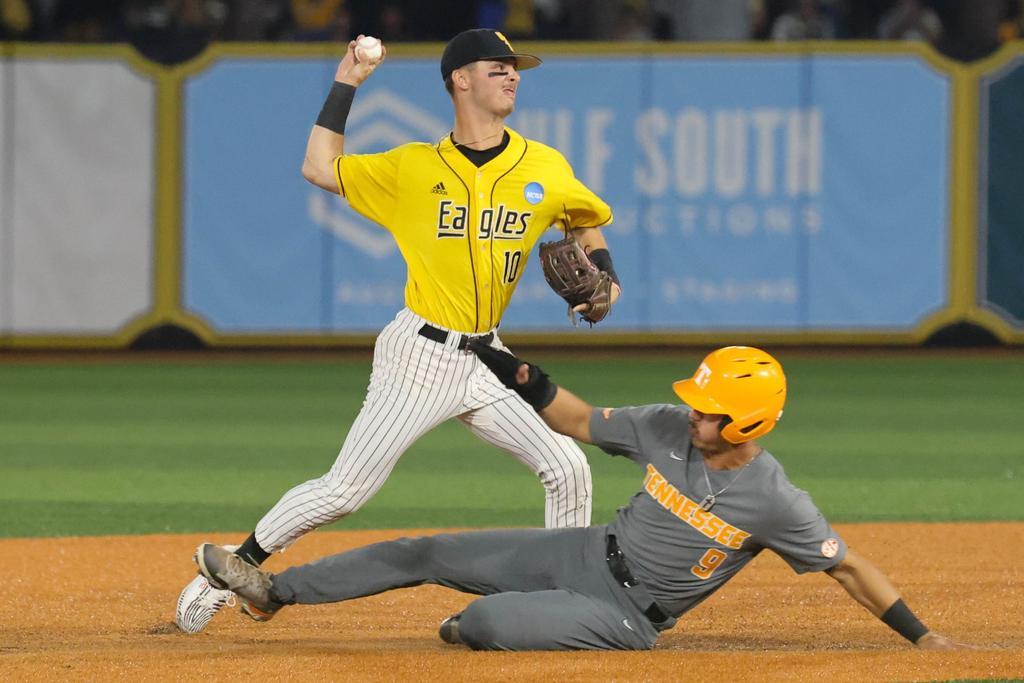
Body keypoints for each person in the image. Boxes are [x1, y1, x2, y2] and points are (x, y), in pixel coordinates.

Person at [175, 28, 622, 633]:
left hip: (488, 357)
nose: (514, 76)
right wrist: (347, 82)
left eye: (517, 68)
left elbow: (588, 222)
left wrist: (606, 280)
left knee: (568, 466)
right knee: (345, 492)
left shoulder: (544, 165)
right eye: (499, 67)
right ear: (460, 79)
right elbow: (318, 166)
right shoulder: (411, 167)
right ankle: (232, 571)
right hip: (420, 355)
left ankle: (570, 598)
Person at [190, 345, 969, 651]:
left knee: (479, 623)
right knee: (423, 550)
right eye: (697, 401)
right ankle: (273, 592)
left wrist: (922, 637)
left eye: (709, 408)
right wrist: (515, 370)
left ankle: (491, 619)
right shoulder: (667, 426)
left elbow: (848, 566)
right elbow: (575, 419)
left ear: (749, 419)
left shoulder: (774, 500)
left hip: (628, 617)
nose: (693, 412)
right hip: (585, 551)